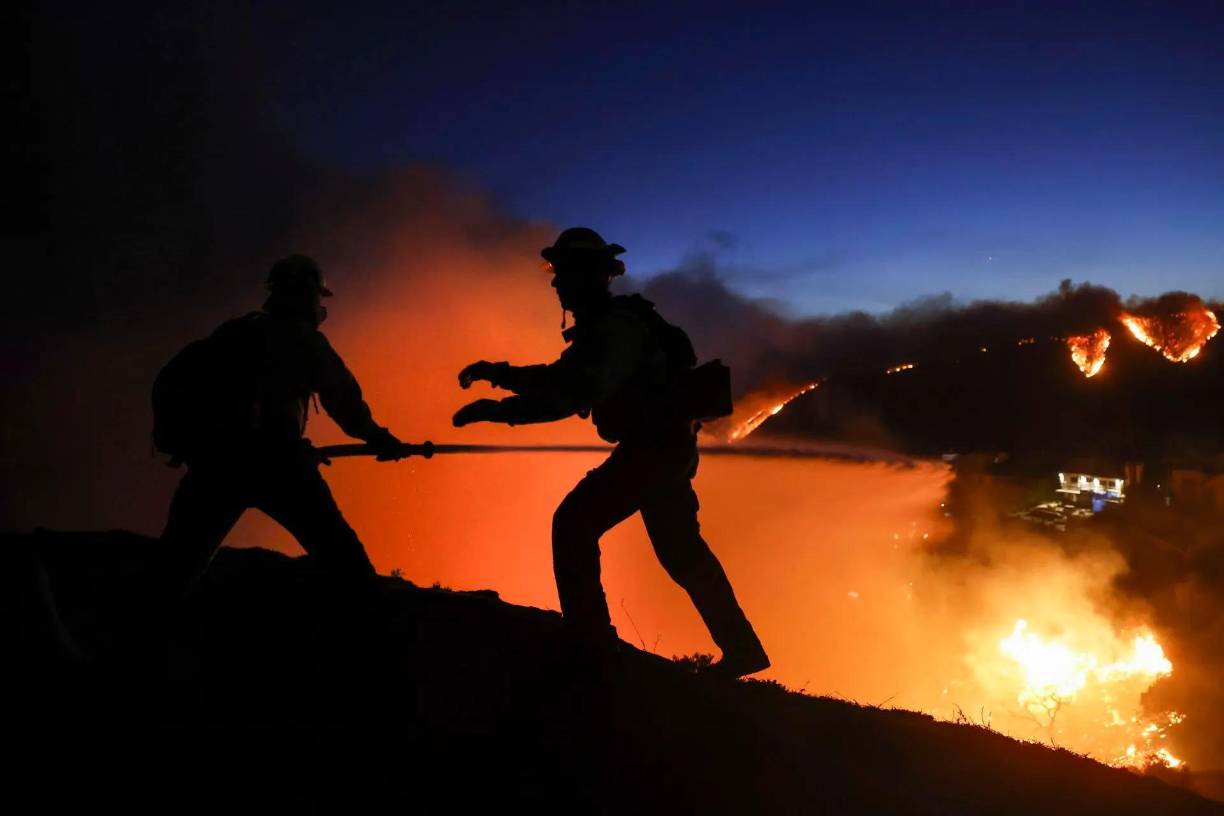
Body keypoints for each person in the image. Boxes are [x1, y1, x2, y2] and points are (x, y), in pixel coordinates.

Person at [453, 228, 769, 678]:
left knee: (574, 523)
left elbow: (574, 391)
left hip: (652, 451)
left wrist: (499, 411)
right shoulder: (611, 326)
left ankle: (591, 641)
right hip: (666, 447)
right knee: (681, 551)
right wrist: (498, 375)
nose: (555, 284)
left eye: (561, 273)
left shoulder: (616, 330)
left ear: (586, 275)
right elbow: (561, 376)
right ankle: (743, 649)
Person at [157, 254, 404, 593]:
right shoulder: (305, 341)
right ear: (308, 296)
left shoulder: (235, 333)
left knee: (175, 568)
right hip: (282, 469)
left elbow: (181, 382)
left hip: (216, 466)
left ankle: (143, 635)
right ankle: (371, 637)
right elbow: (343, 401)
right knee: (346, 565)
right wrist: (379, 439)